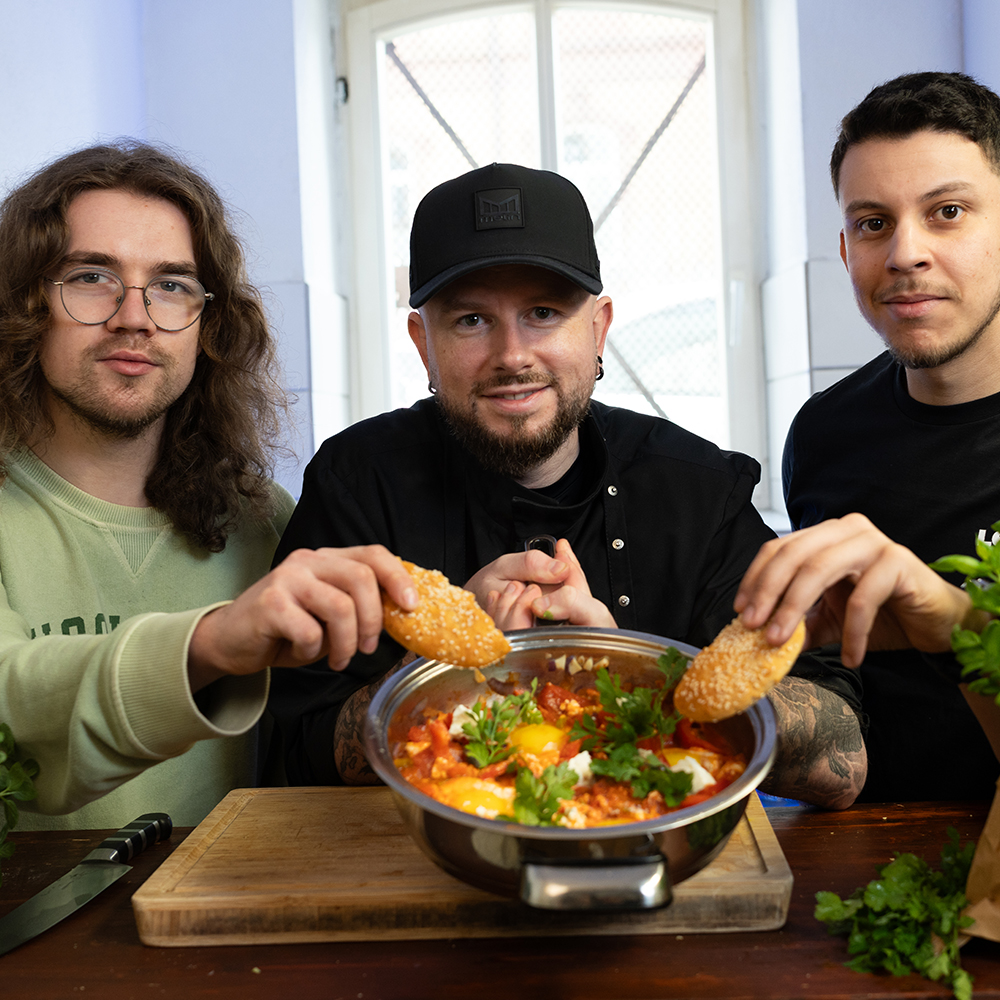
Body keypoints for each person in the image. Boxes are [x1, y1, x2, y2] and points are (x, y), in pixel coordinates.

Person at [267, 162, 867, 808]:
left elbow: (844, 763)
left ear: (598, 327)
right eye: (471, 321)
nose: (513, 355)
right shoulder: (359, 480)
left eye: (544, 313)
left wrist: (629, 667)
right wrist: (444, 668)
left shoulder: (696, 488)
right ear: (423, 343)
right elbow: (287, 753)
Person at [0, 141, 417, 830]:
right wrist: (212, 645)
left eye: (170, 285)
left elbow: (302, 755)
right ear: (24, 301)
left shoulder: (264, 523)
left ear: (206, 324)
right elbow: (12, 721)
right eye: (91, 276)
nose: (134, 316)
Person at [782, 71, 1000, 800]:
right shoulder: (823, 434)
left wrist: (948, 618)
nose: (905, 253)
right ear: (846, 252)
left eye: (947, 212)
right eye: (873, 222)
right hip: (872, 863)